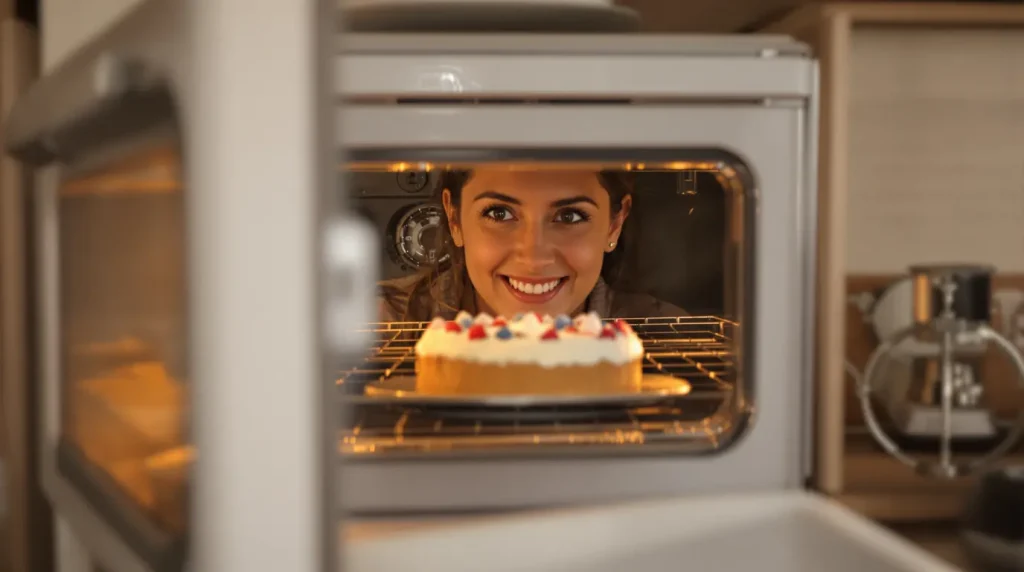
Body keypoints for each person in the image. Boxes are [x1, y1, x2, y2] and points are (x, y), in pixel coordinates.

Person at [378, 167, 685, 322]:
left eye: (570, 216)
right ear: (454, 218)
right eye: (499, 213)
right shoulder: (372, 326)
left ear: (614, 224)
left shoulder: (677, 338)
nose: (534, 258)